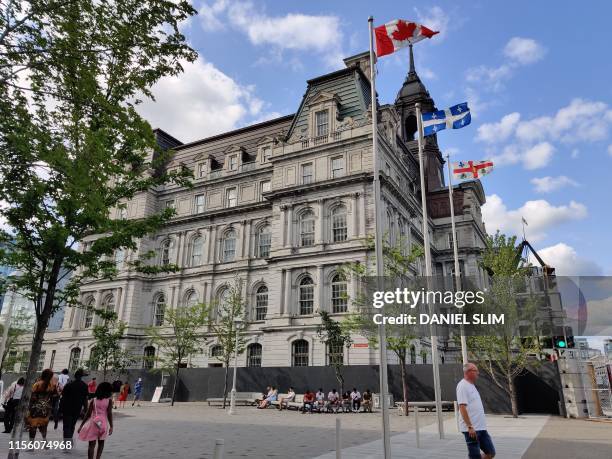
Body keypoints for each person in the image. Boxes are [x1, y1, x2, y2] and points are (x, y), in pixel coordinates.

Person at [457, 363, 496, 459]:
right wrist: (470, 426)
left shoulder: (471, 385)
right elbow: (462, 407)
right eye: (476, 371)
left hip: (481, 428)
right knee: (475, 456)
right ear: (469, 372)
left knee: (491, 453)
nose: (478, 373)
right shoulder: (462, 386)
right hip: (471, 430)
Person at [78, 381, 114, 459]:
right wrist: (111, 426)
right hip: (103, 424)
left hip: (94, 423)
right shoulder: (109, 401)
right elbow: (109, 414)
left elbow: (87, 414)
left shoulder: (93, 400)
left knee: (91, 445)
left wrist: (81, 426)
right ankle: (98, 458)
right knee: (101, 443)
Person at [25, 368, 59, 441]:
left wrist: (29, 408)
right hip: (46, 409)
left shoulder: (37, 384)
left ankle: (31, 445)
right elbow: (56, 395)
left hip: (35, 409)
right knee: (43, 425)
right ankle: (44, 439)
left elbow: (32, 397)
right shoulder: (52, 385)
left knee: (33, 426)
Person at [59, 368, 89, 444]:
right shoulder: (84, 386)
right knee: (72, 425)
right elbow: (85, 399)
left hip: (67, 409)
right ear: (81, 376)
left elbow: (63, 398)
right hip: (77, 409)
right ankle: (69, 440)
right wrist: (86, 410)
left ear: (74, 376)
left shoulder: (69, 385)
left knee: (66, 426)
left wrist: (60, 409)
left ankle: (67, 442)